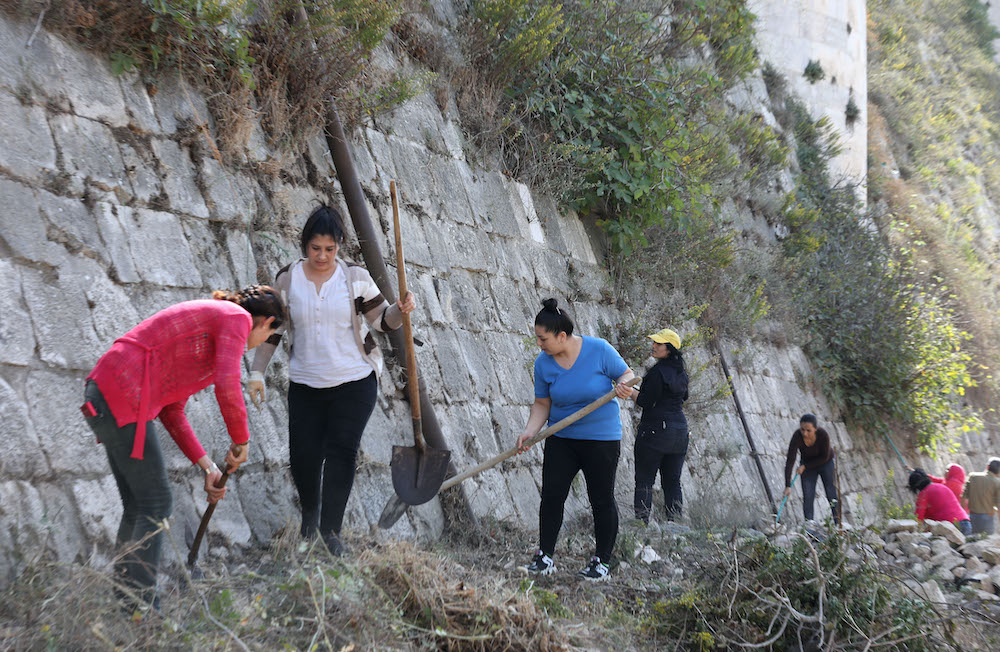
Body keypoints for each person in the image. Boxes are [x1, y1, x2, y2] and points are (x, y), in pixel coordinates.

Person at [82, 286, 285, 610]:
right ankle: (142, 609)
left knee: (140, 505)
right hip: (123, 391)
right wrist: (241, 440)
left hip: (107, 392)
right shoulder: (236, 319)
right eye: (269, 336)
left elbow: (172, 411)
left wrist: (209, 468)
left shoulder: (215, 327)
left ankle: (127, 602)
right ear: (267, 322)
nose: (259, 344)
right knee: (157, 503)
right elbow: (228, 383)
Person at [249, 205, 415, 556]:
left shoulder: (353, 277)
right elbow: (271, 334)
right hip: (306, 382)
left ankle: (331, 533)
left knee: (342, 451)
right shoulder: (287, 279)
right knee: (303, 457)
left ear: (339, 245)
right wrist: (256, 372)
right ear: (304, 246)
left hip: (355, 380)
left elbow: (383, 321)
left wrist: (401, 310)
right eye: (315, 248)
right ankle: (310, 519)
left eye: (330, 248)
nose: (322, 256)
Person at [516, 299, 634, 581]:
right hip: (562, 438)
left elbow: (628, 375)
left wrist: (624, 387)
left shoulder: (599, 349)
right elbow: (542, 404)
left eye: (543, 339)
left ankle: (601, 562)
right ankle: (545, 557)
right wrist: (530, 430)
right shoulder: (543, 364)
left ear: (562, 336)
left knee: (601, 500)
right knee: (552, 497)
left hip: (601, 439)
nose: (539, 344)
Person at [620, 328, 689, 523]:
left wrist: (629, 391)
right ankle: (676, 526)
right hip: (680, 432)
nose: (654, 346)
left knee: (644, 480)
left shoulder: (658, 372)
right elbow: (684, 397)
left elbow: (645, 401)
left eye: (659, 344)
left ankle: (641, 525)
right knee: (673, 482)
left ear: (669, 349)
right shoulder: (682, 373)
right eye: (654, 343)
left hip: (656, 431)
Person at [783, 414, 841, 525]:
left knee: (831, 493)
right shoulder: (797, 437)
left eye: (808, 430)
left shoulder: (823, 435)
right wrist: (788, 485)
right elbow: (790, 460)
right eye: (802, 429)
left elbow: (824, 457)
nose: (805, 433)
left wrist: (805, 466)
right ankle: (809, 527)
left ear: (815, 429)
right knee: (808, 495)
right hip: (807, 466)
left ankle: (838, 524)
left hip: (825, 463)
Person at [908, 468, 972, 535]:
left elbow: (918, 518)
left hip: (951, 526)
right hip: (966, 522)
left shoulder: (923, 494)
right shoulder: (942, 486)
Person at [962, 458, 1000, 535]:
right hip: (987, 518)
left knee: (971, 540)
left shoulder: (973, 476)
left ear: (987, 467)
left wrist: (963, 515)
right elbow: (998, 505)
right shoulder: (997, 482)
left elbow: (963, 497)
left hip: (971, 516)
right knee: (986, 542)